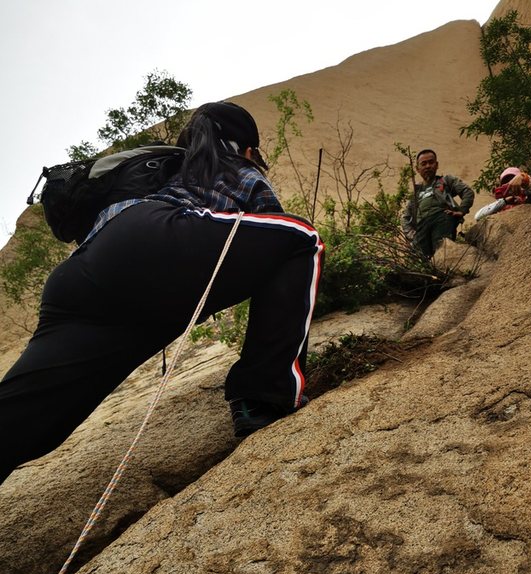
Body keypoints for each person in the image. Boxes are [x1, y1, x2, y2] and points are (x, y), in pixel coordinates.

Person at [0, 102, 324, 485]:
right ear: (247, 148)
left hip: (81, 278)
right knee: (301, 238)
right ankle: (262, 397)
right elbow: (272, 238)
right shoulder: (238, 167)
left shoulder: (165, 171)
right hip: (153, 241)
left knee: (33, 411)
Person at [401, 149, 475, 258]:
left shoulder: (446, 181)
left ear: (437, 165)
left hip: (442, 219)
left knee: (442, 254)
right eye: (423, 164)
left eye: (431, 162)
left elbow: (467, 192)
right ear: (417, 169)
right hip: (421, 228)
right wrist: (412, 234)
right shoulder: (416, 193)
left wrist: (461, 210)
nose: (428, 166)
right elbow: (405, 217)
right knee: (418, 260)